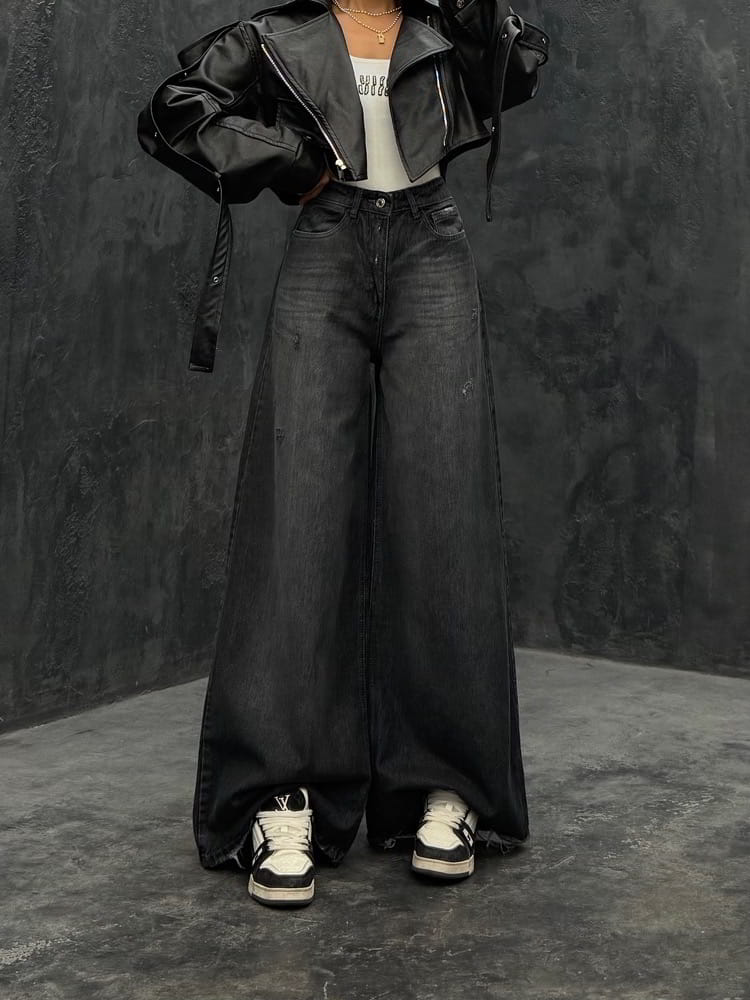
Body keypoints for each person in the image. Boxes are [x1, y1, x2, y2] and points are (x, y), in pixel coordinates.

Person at [137, 0, 549, 908]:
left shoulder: (445, 21)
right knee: (300, 516)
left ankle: (447, 786)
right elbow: (172, 110)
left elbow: (516, 67)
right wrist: (289, 161)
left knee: (443, 511)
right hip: (325, 247)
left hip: (432, 247)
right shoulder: (273, 34)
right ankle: (280, 794)